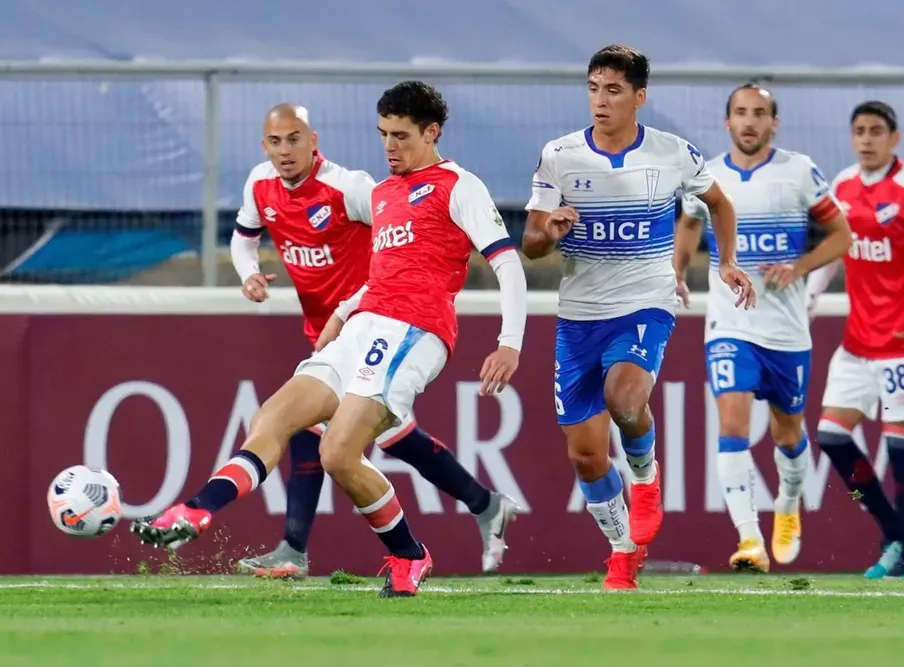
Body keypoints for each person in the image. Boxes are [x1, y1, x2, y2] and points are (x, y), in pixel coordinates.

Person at [133, 88, 528, 597]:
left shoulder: (458, 186)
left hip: (414, 330)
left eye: (401, 136)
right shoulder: (386, 193)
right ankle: (194, 510)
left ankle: (409, 554)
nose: (389, 145)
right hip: (362, 326)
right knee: (271, 420)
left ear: (432, 133)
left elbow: (507, 263)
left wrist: (510, 341)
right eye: (383, 134)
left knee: (340, 452)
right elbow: (381, 274)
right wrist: (342, 314)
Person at [521, 44, 754, 590]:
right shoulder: (558, 156)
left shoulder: (673, 154)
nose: (600, 101)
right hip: (579, 316)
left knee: (626, 400)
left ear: (639, 97)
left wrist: (727, 263)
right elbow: (530, 241)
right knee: (585, 457)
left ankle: (646, 480)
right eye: (594, 89)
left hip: (646, 300)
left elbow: (720, 204)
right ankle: (624, 551)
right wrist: (548, 232)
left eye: (614, 90)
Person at [675, 83, 852, 573]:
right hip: (730, 324)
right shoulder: (707, 175)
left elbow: (842, 235)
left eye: (759, 114)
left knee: (788, 434)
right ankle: (749, 539)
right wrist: (678, 268)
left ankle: (789, 504)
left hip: (787, 331)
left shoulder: (798, 172)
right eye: (740, 113)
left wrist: (799, 267)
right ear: (727, 122)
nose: (749, 121)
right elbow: (690, 222)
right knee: (732, 424)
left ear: (774, 123)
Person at [806, 101, 904, 579]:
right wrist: (810, 297)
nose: (868, 139)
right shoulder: (843, 186)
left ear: (894, 138)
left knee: (901, 447)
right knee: (832, 437)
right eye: (860, 131)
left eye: (877, 131)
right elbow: (835, 249)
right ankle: (892, 527)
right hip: (857, 343)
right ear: (852, 137)